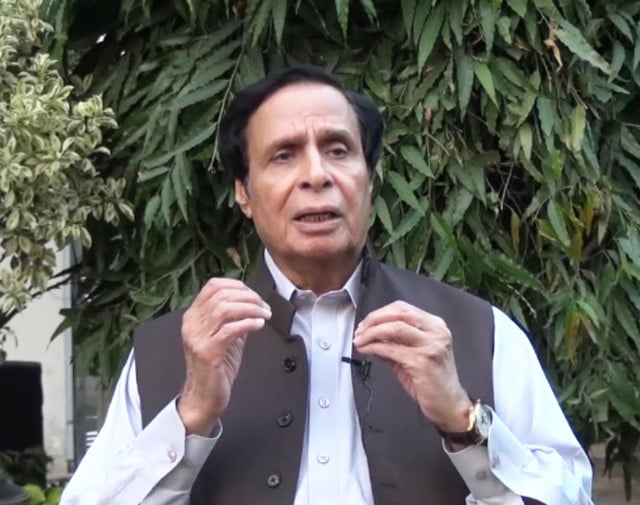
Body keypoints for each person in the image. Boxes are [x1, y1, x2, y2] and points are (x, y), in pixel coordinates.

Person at [60, 65, 594, 505]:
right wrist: (190, 416)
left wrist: (463, 420)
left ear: (370, 178)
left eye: (338, 150)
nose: (316, 175)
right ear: (244, 192)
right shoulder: (173, 351)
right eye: (284, 155)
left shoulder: (478, 333)